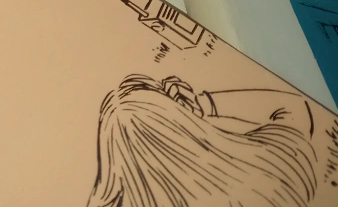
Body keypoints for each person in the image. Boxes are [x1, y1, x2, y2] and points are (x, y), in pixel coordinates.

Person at [85, 75, 318, 207]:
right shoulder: (269, 169)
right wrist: (204, 103)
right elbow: (292, 107)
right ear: (184, 122)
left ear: (112, 155)